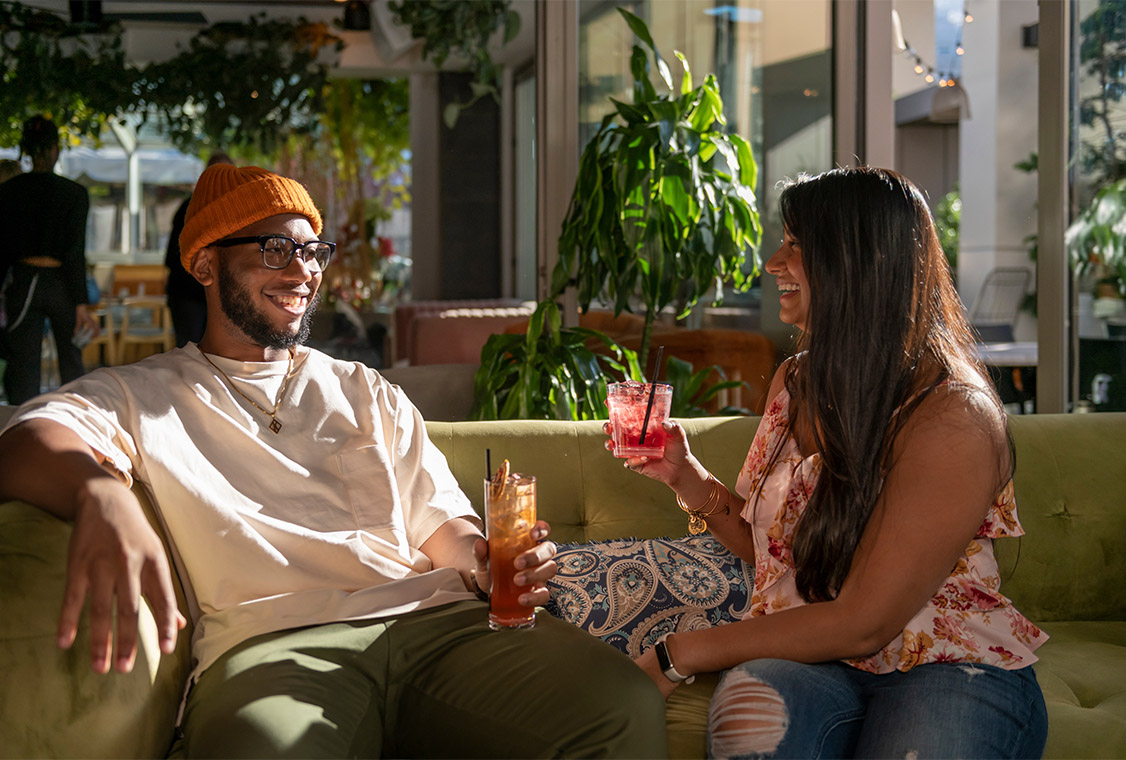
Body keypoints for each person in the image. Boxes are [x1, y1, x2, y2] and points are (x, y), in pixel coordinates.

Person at [0, 164, 666, 758]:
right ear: (204, 264)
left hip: (439, 625)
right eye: (275, 249)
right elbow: (27, 437)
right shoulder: (143, 393)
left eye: (312, 251)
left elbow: (440, 522)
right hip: (274, 644)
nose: (303, 273)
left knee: (620, 704)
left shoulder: (364, 388)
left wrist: (485, 562)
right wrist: (98, 494)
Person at [608, 166, 1048, 759]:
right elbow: (779, 553)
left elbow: (865, 621)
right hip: (811, 658)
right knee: (748, 728)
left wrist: (677, 653)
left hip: (946, 662)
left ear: (858, 261)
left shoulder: (952, 414)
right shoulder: (795, 382)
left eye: (796, 244)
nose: (773, 262)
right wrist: (686, 476)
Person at [0, 115, 98, 405]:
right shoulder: (75, 194)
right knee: (71, 363)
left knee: (23, 367)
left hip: (23, 282)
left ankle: (23, 423)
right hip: (62, 284)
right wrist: (81, 303)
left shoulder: (9, 191)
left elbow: (2, 249)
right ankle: (75, 421)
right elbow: (75, 252)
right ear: (56, 149)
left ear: (26, 151)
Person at [164, 152, 233, 347]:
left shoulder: (235, 212)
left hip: (221, 298)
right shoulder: (190, 208)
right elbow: (172, 257)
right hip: (188, 295)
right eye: (216, 174)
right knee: (190, 352)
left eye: (226, 175)